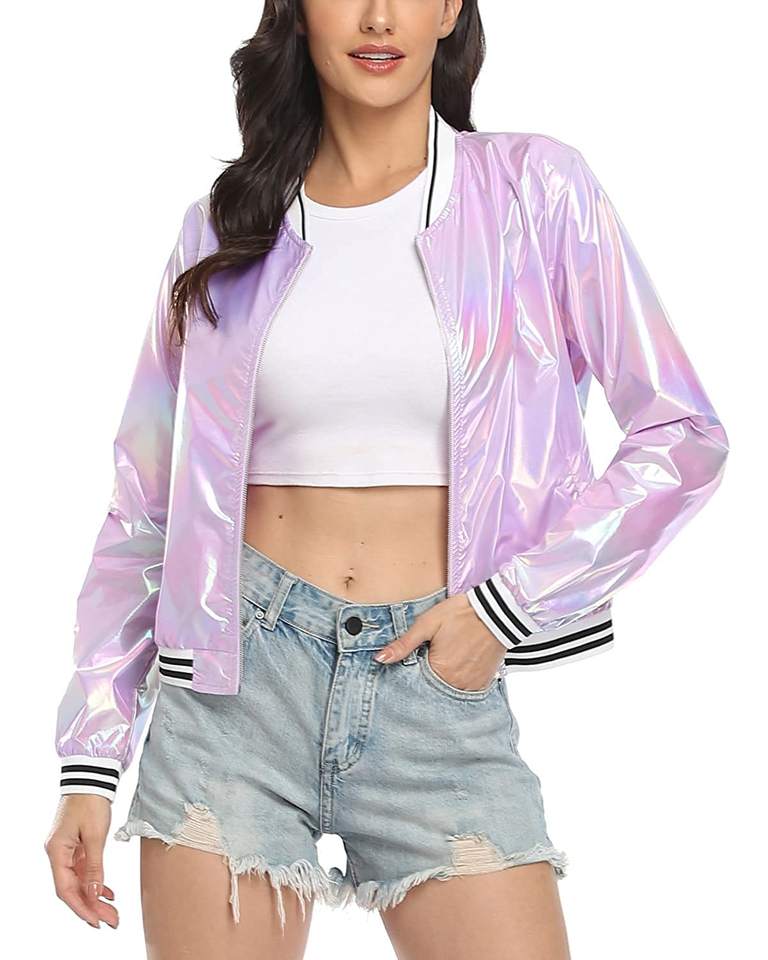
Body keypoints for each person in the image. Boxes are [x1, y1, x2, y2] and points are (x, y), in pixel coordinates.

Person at [44, 2, 729, 958]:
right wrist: (91, 762)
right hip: (234, 693)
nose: (377, 16)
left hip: (435, 685)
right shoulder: (223, 228)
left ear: (450, 8)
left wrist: (504, 609)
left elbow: (682, 434)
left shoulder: (535, 192)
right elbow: (145, 508)